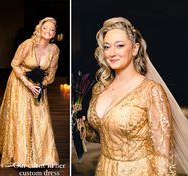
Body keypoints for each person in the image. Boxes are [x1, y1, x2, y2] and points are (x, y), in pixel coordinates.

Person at [77, 17, 188, 175]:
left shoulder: (151, 91)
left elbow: (163, 154)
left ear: (135, 49)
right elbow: (102, 135)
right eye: (107, 47)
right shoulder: (99, 88)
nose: (112, 53)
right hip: (104, 169)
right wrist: (82, 127)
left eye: (120, 46)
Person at [0, 17, 60, 168]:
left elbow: (51, 72)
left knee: (41, 118)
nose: (48, 31)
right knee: (21, 117)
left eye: (52, 30)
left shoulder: (54, 50)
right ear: (39, 30)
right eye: (45, 28)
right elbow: (14, 63)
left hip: (38, 86)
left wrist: (42, 85)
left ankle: (43, 156)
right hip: (20, 82)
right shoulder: (28, 44)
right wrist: (28, 83)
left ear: (54, 34)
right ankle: (21, 156)